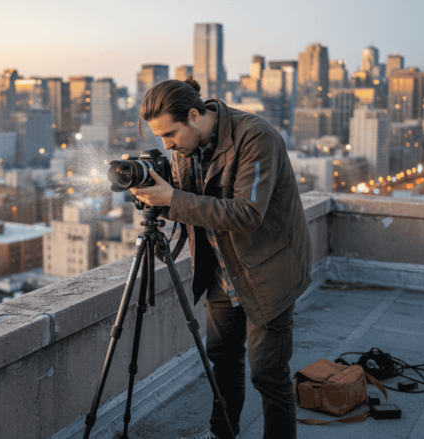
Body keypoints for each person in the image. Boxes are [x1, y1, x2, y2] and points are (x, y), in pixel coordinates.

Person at [130, 76, 313, 439]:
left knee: (267, 373)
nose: (167, 145)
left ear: (195, 116)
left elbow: (247, 214)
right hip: (218, 270)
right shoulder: (183, 150)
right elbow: (194, 207)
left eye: (169, 135)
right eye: (160, 139)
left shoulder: (255, 136)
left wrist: (173, 200)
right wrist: (156, 198)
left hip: (268, 270)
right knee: (223, 361)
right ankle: (222, 433)